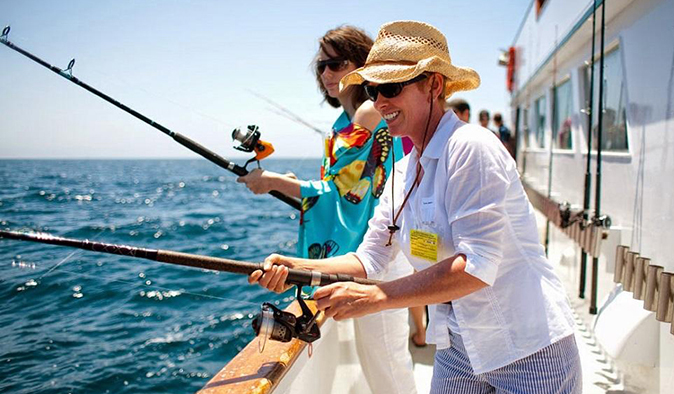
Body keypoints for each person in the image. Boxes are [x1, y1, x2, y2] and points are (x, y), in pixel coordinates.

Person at [249, 20, 582, 394]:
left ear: (434, 85)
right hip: (459, 347)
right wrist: (297, 266)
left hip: (529, 349)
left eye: (391, 87)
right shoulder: (404, 170)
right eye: (373, 90)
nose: (379, 102)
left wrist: (378, 296)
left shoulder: (471, 147)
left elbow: (477, 265)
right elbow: (371, 258)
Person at [238, 25, 417, 394]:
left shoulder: (369, 112)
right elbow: (346, 183)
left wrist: (274, 182)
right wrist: (289, 181)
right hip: (368, 255)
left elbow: (341, 191)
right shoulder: (346, 121)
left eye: (336, 64)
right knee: (382, 366)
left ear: (361, 64)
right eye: (321, 66)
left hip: (378, 260)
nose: (326, 74)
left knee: (388, 370)